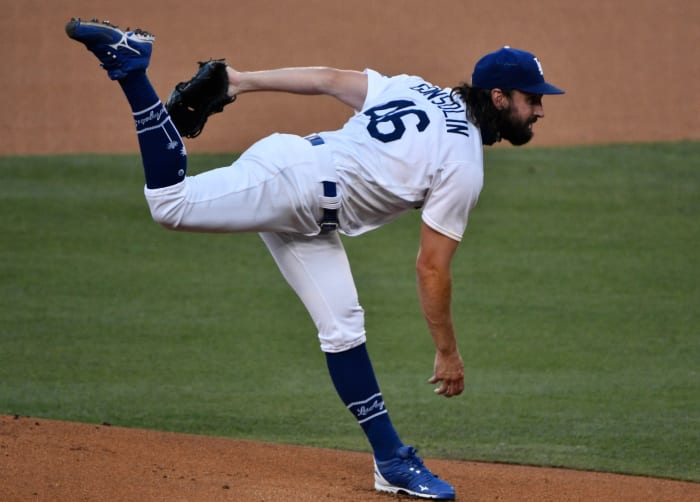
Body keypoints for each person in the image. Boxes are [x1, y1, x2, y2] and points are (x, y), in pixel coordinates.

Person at [66, 17, 564, 500]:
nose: (539, 110)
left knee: (343, 326)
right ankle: (131, 69)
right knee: (170, 204)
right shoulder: (463, 163)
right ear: (499, 98)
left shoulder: (416, 88)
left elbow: (327, 80)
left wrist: (241, 81)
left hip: (305, 200)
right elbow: (431, 267)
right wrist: (448, 351)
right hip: (295, 187)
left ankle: (392, 462)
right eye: (532, 99)